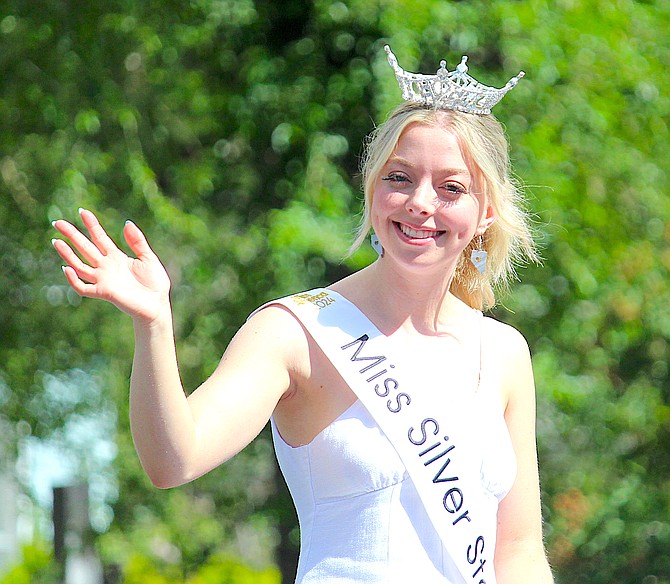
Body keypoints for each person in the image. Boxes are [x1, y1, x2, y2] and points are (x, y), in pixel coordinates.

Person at [52, 45, 554, 583]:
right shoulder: (296, 332)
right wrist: (154, 325)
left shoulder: (503, 351)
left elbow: (518, 552)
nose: (420, 203)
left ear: (485, 213)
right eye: (398, 178)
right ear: (372, 189)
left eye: (451, 187)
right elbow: (173, 461)